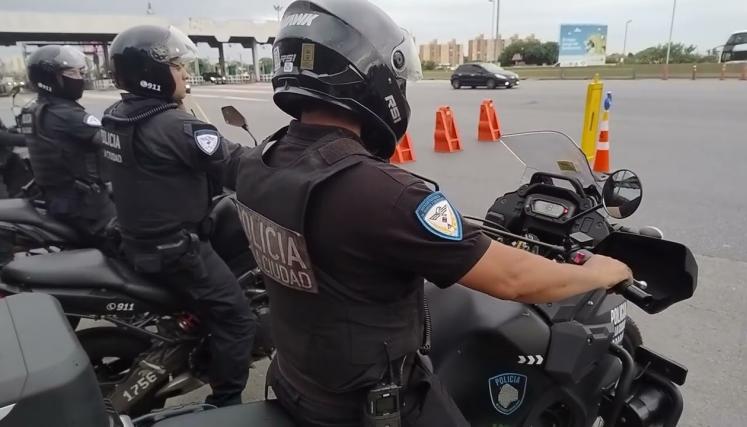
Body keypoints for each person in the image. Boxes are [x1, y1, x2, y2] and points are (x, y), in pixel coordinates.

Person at [233, 1, 634, 426]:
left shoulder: (259, 163)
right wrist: (597, 273)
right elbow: (512, 279)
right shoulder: (382, 192)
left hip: (299, 383)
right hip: (367, 410)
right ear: (373, 75)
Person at [100, 25, 256, 407]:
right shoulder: (175, 126)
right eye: (175, 65)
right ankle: (225, 405)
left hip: (137, 240)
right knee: (238, 319)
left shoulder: (116, 115)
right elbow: (237, 165)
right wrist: (279, 159)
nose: (185, 72)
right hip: (178, 252)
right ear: (151, 72)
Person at [21, 45, 115, 244]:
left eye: (80, 72)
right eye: (72, 73)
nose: (80, 78)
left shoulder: (33, 110)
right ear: (50, 79)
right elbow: (112, 142)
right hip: (86, 207)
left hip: (58, 199)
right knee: (135, 239)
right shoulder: (66, 115)